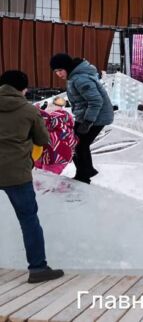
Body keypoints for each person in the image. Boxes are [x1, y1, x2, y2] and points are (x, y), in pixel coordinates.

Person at [0, 70, 64, 283]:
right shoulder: (28, 110)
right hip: (16, 173)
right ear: (23, 89)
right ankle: (38, 269)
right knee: (28, 220)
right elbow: (43, 139)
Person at [50, 54, 114, 184]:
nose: (58, 74)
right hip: (87, 115)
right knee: (76, 144)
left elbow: (96, 101)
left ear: (67, 67)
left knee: (78, 144)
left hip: (97, 117)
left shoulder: (80, 79)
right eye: (56, 71)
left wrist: (87, 122)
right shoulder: (75, 77)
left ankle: (83, 175)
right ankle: (86, 171)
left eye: (60, 70)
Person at [34, 96, 77, 175]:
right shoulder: (65, 123)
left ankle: (52, 186)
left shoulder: (52, 122)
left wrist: (37, 111)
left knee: (47, 178)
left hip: (55, 157)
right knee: (41, 175)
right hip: (56, 156)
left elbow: (47, 120)